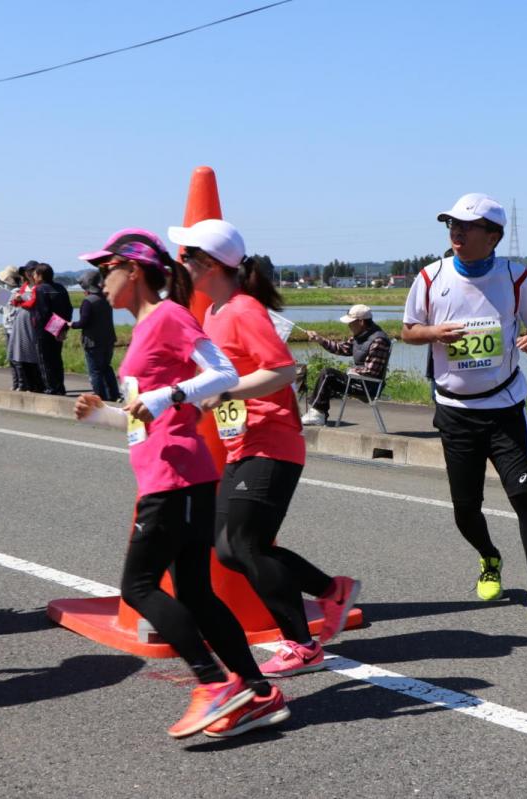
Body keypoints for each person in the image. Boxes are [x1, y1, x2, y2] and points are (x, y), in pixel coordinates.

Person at [73, 228, 287, 739]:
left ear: (137, 270)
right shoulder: (146, 327)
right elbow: (146, 417)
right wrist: (104, 416)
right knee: (194, 592)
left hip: (175, 478)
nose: (100, 280)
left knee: (139, 586)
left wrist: (169, 394)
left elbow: (222, 372)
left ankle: (215, 683)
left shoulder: (168, 315)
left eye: (108, 269)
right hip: (169, 473)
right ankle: (259, 692)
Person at [169, 218, 361, 689]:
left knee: (248, 545)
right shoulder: (214, 313)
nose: (180, 264)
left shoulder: (242, 309)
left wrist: (227, 392)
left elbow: (283, 370)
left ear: (210, 263)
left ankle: (302, 644)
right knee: (229, 549)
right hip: (242, 443)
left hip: (271, 441)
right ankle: (331, 591)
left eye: (186, 256)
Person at [402, 192, 527, 624]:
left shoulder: (515, 276)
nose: (456, 231)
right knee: (465, 509)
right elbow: (408, 331)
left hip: (505, 406)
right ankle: (490, 558)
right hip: (455, 411)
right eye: (452, 224)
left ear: (492, 236)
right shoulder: (431, 277)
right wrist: (434, 332)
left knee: (524, 495)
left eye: (467, 226)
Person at [300, 304, 391, 426]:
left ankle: (317, 414)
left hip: (368, 386)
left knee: (328, 375)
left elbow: (372, 371)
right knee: (328, 375)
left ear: (361, 322)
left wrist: (352, 371)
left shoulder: (379, 340)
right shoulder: (361, 336)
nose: (348, 325)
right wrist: (320, 339)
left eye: (351, 322)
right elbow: (341, 349)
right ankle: (317, 413)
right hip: (360, 381)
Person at [70, 269, 119, 401]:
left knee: (95, 371)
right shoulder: (106, 298)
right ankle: (114, 394)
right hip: (108, 339)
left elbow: (83, 322)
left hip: (93, 341)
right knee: (106, 368)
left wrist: (71, 324)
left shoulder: (88, 301)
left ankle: (100, 397)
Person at [27, 263, 73, 395]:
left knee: (45, 361)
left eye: (35, 273)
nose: (33, 276)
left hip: (44, 331)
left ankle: (51, 388)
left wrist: (49, 330)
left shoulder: (40, 289)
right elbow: (68, 308)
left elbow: (43, 313)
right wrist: (61, 329)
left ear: (40, 275)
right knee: (56, 360)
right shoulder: (60, 288)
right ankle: (59, 387)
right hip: (59, 328)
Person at [8, 264, 44, 392]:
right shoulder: (17, 289)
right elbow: (9, 306)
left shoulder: (7, 291)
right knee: (16, 355)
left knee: (19, 356)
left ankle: (20, 384)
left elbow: (2, 308)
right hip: (16, 324)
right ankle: (20, 384)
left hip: (15, 324)